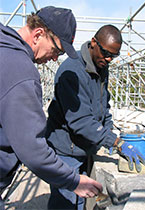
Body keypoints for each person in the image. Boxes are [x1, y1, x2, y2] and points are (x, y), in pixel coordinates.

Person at [0, 6, 103, 210]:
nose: (55, 58)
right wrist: (73, 181)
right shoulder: (21, 71)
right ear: (38, 34)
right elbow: (32, 148)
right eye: (56, 50)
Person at [46, 24, 145, 210]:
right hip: (65, 151)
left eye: (114, 56)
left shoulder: (102, 65)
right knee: (65, 202)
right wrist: (115, 142)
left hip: (84, 147)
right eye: (106, 53)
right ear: (93, 42)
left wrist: (109, 130)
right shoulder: (72, 72)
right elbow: (80, 121)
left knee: (79, 200)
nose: (109, 59)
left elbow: (103, 105)